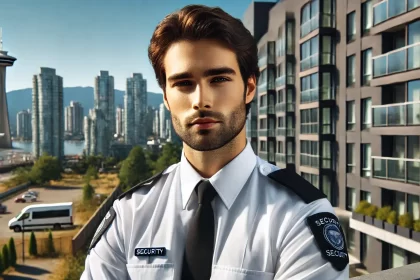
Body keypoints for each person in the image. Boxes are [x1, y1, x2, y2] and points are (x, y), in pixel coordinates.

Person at [81, 4, 349, 280]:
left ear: (249, 88)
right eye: (184, 83)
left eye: (219, 79)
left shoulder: (300, 215)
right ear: (165, 98)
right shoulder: (130, 213)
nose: (200, 101)